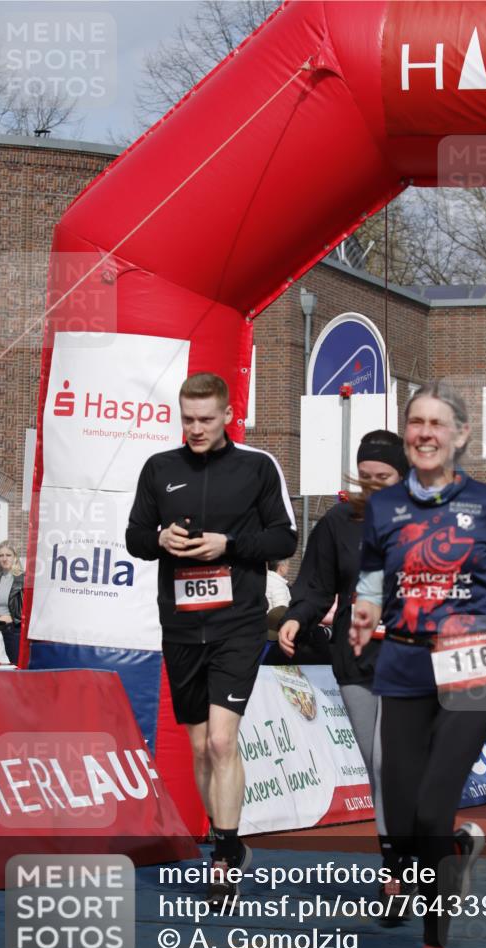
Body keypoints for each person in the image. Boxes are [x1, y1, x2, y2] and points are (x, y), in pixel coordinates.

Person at [349, 381, 486, 948]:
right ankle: (453, 849)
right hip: (402, 666)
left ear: (459, 435)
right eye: (415, 423)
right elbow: (373, 581)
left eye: (437, 423)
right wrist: (364, 612)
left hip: (471, 661)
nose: (425, 433)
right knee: (403, 826)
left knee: (432, 808)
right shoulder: (383, 509)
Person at [126, 372, 296, 905]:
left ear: (227, 416)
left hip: (237, 624)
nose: (195, 429)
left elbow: (285, 536)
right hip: (180, 626)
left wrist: (230, 543)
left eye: (205, 419)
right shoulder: (160, 469)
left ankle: (221, 859)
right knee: (201, 747)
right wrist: (159, 538)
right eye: (188, 419)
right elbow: (134, 537)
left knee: (223, 740)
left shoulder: (257, 466)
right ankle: (230, 841)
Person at [278, 429, 408, 912]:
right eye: (367, 478)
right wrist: (296, 616)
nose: (374, 486)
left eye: (385, 478)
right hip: (355, 659)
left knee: (386, 763)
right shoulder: (339, 521)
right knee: (379, 771)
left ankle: (395, 876)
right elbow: (315, 583)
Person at [0, 541, 24, 664]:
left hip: (13, 630)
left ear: (15, 557)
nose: (4, 559)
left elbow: (31, 608)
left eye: (8, 555)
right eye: (1, 555)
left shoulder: (23, 579)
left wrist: (13, 618)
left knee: (13, 667)